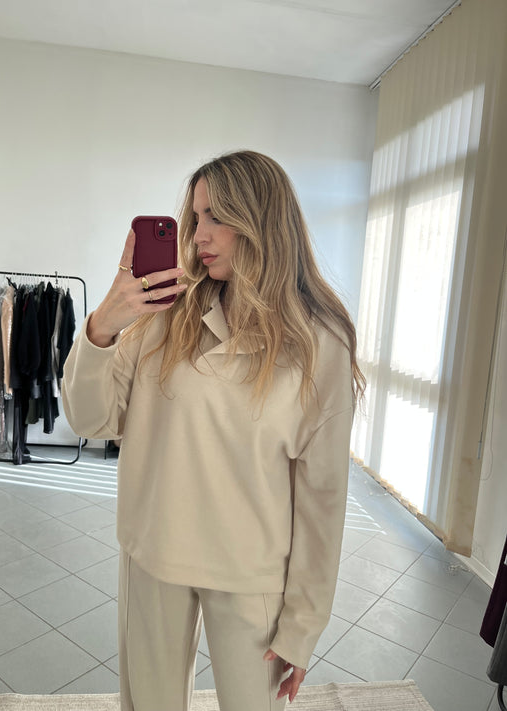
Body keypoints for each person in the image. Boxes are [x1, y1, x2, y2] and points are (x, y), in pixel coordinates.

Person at [62, 150, 365, 711]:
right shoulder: (163, 314)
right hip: (154, 553)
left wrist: (303, 624)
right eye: (196, 216)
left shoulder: (318, 342)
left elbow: (323, 496)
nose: (199, 234)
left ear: (262, 220)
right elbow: (90, 419)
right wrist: (103, 326)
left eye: (217, 217)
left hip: (250, 570)